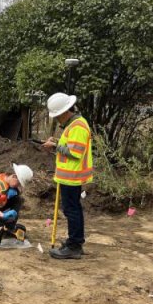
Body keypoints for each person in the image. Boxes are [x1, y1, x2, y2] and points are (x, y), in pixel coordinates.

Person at [42, 92, 93, 260]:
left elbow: (75, 152)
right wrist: (57, 142)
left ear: (64, 112)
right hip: (68, 176)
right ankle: (74, 242)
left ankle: (74, 245)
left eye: (57, 116)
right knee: (72, 209)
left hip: (72, 176)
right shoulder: (73, 125)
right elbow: (69, 145)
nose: (56, 119)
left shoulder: (78, 126)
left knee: (72, 210)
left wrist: (55, 145)